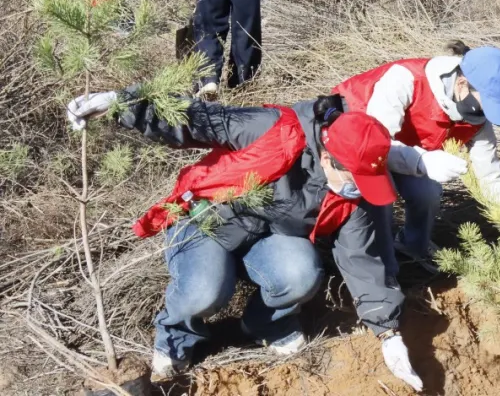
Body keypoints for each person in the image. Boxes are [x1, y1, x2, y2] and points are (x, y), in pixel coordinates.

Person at [63, 90, 453, 392]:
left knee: (301, 275)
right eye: (353, 179)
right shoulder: (273, 129)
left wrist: (387, 334)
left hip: (269, 237)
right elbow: (197, 119)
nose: (357, 191)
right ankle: (175, 341)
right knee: (204, 291)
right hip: (208, 220)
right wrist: (120, 103)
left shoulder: (354, 193)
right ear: (329, 158)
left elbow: (364, 258)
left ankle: (265, 323)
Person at [333, 41, 500, 273]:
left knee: (427, 192)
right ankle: (376, 264)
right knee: (382, 197)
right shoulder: (405, 80)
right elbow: (377, 146)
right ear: (462, 84)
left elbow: (491, 175)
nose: (485, 114)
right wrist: (422, 161)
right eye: (485, 104)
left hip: (406, 149)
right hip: (359, 141)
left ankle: (413, 246)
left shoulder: (477, 118)